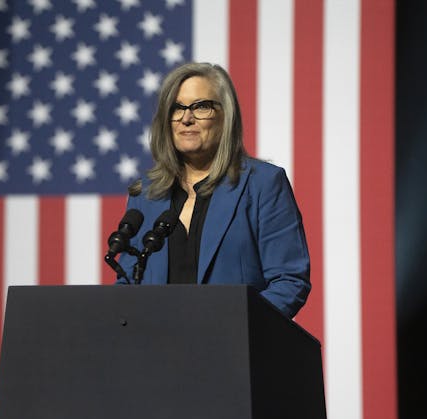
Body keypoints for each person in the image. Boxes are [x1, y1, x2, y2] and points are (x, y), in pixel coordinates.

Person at [117, 62, 310, 319]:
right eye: (177, 108)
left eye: (201, 107)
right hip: (159, 351)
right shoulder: (146, 194)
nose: (187, 118)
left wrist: (234, 330)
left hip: (234, 349)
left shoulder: (262, 183)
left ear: (225, 116)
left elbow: (289, 281)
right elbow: (128, 285)